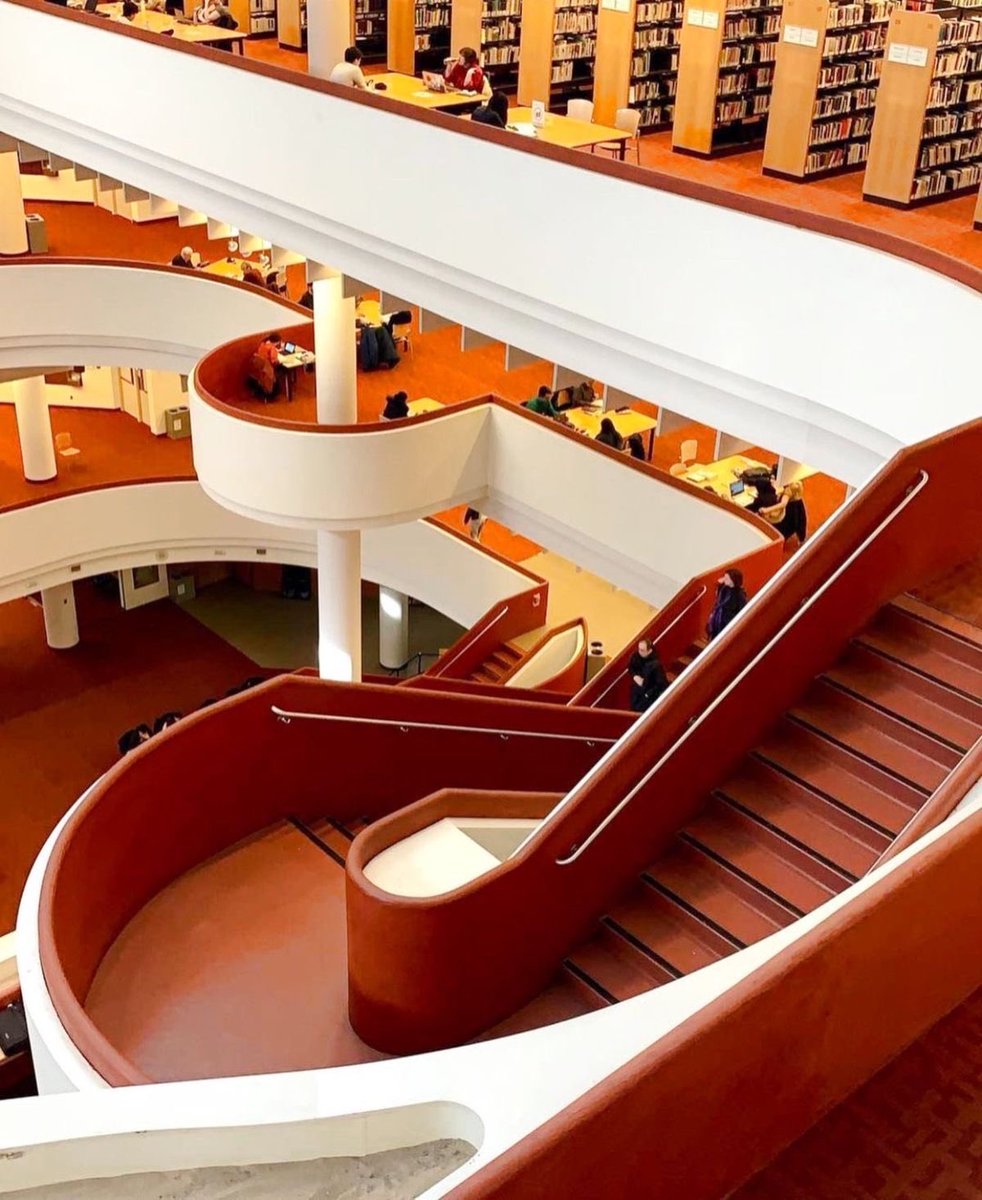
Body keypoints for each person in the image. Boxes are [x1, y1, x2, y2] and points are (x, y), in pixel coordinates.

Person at [626, 639, 669, 714]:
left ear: (649, 651)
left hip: (650, 694)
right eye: (639, 649)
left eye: (642, 650)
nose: (639, 652)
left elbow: (660, 684)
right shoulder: (636, 656)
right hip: (639, 690)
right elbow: (631, 667)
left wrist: (647, 694)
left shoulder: (656, 665)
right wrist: (635, 676)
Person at [706, 569, 748, 640]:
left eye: (727, 578)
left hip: (728, 622)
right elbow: (718, 600)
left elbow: (742, 609)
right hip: (719, 618)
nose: (724, 579)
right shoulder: (724, 589)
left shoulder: (739, 595)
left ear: (733, 580)